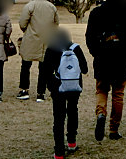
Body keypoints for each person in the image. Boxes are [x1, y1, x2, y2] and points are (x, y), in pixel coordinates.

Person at [86, 0, 126, 141]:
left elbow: (89, 36)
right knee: (118, 94)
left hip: (102, 56)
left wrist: (95, 52)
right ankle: (114, 129)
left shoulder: (97, 13)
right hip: (120, 57)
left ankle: (101, 113)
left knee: (101, 90)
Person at [42, 29, 88, 158]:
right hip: (74, 86)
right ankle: (72, 141)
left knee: (58, 118)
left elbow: (44, 71)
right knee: (73, 111)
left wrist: (49, 86)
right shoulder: (76, 48)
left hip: (58, 87)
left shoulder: (51, 49)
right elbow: (84, 69)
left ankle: (59, 151)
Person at [17, 0, 59, 102]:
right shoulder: (52, 7)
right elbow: (56, 24)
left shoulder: (30, 6)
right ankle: (41, 93)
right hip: (47, 40)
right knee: (44, 67)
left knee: (26, 65)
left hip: (31, 38)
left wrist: (27, 31)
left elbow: (22, 23)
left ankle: (24, 90)